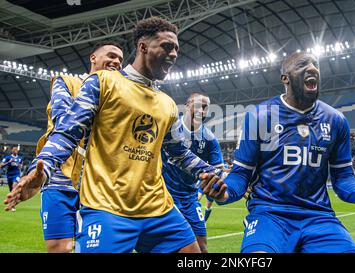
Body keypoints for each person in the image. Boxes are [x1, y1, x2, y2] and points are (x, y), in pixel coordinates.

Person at [4, 16, 220, 253]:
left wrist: (211, 171)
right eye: (167, 46)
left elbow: (178, 152)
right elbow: (67, 132)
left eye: (177, 49)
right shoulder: (102, 82)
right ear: (143, 46)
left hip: (159, 208)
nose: (174, 54)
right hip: (107, 207)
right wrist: (42, 170)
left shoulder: (166, 103)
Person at [200, 52, 355, 253]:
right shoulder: (259, 116)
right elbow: (241, 175)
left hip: (319, 217)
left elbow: (343, 179)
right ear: (285, 78)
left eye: (315, 65)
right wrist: (224, 193)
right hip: (269, 215)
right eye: (302, 65)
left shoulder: (336, 120)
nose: (312, 68)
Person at [34, 41, 124, 253]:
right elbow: (63, 119)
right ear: (93, 58)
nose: (117, 62)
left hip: (99, 184)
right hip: (60, 179)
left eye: (120, 59)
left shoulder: (120, 96)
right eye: (111, 56)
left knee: (99, 248)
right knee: (60, 248)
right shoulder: (67, 81)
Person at [162, 92, 224, 253]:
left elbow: (219, 172)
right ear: (187, 105)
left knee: (202, 247)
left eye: (205, 108)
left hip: (190, 198)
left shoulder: (210, 139)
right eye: (198, 106)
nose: (201, 111)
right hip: (164, 196)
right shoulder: (169, 129)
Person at [0, 146, 23, 211]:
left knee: (14, 187)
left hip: (16, 175)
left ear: (17, 151)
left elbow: (21, 167)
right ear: (12, 151)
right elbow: (1, 166)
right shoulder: (7, 158)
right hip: (9, 175)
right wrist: (9, 162)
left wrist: (20, 166)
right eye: (14, 149)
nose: (15, 150)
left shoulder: (20, 158)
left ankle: (12, 206)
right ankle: (11, 202)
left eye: (16, 149)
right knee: (11, 190)